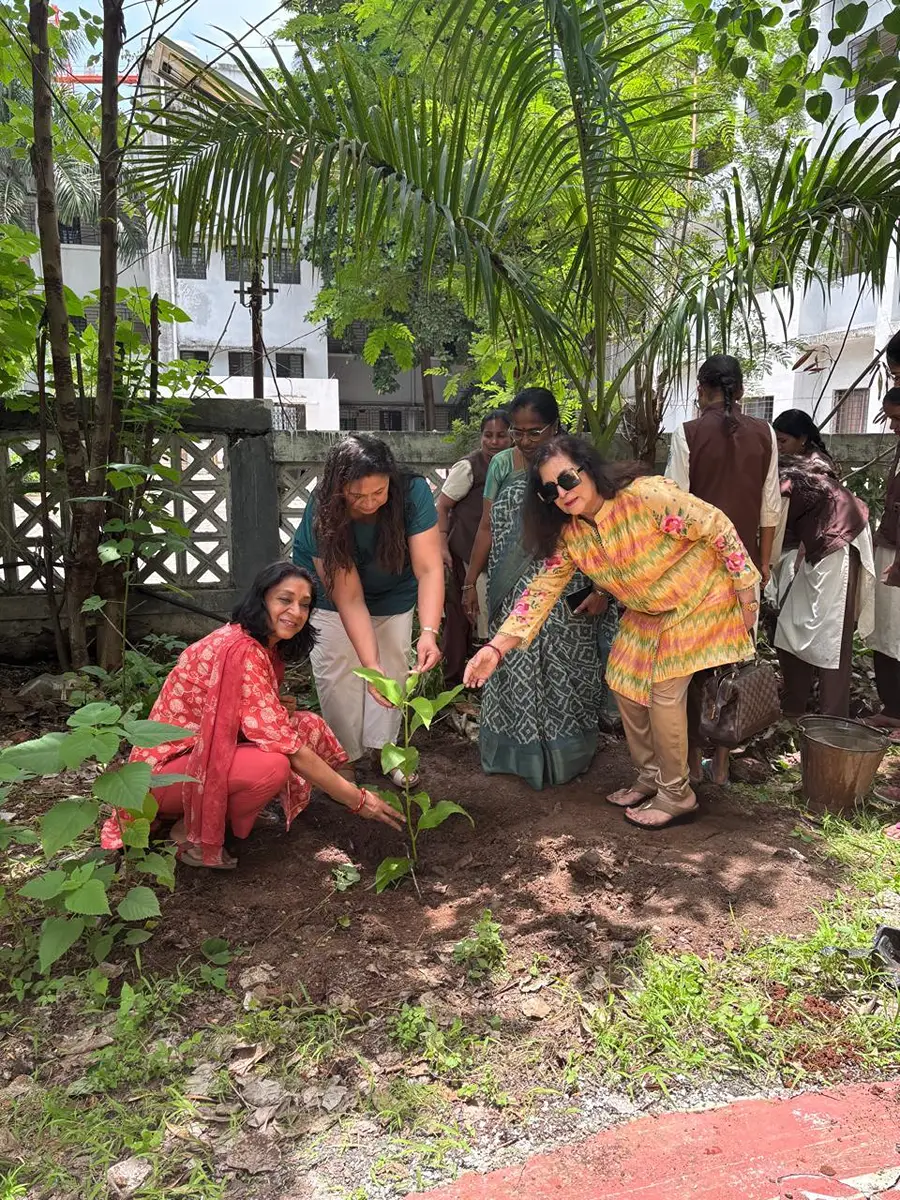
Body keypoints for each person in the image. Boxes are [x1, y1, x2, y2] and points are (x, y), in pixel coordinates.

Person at [464, 435, 760, 830]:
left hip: (700, 596)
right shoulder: (572, 534)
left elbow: (715, 525)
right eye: (550, 490)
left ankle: (677, 794)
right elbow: (540, 593)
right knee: (622, 681)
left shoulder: (644, 497)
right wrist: (496, 649)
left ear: (587, 469)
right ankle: (651, 776)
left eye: (567, 479)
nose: (562, 493)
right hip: (648, 610)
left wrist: (746, 590)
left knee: (663, 690)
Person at [99, 562, 403, 869]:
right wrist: (358, 801)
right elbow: (290, 750)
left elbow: (231, 713)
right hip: (161, 778)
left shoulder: (259, 643)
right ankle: (188, 834)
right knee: (272, 766)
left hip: (195, 760)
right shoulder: (242, 650)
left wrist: (272, 704)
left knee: (306, 724)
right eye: (285, 600)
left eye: (305, 604)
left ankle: (223, 815)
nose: (296, 612)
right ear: (261, 600)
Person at [461, 390, 611, 788]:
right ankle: (517, 755)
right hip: (512, 588)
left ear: (555, 427)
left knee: (568, 667)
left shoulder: (572, 470)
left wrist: (601, 590)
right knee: (513, 662)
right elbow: (488, 526)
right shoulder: (501, 466)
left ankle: (567, 756)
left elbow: (600, 534)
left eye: (534, 432)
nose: (524, 441)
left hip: (568, 588)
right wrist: (470, 582)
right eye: (518, 432)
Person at [292, 434, 444, 784]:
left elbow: (429, 568)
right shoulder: (323, 508)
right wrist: (370, 666)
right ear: (339, 488)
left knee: (393, 664)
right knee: (337, 670)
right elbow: (349, 598)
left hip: (394, 591)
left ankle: (385, 751)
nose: (370, 503)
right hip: (334, 597)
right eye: (358, 496)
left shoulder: (412, 493)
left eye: (379, 492)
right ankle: (342, 755)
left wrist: (429, 632)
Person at [666, 353, 780, 786]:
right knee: (731, 662)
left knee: (693, 663)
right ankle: (722, 763)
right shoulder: (765, 433)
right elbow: (770, 507)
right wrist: (763, 563)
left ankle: (693, 759)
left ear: (701, 390)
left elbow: (675, 510)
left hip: (697, 570)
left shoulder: (688, 433)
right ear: (742, 390)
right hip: (744, 568)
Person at [770, 410, 874, 718]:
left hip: (839, 540)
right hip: (819, 543)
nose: (778, 446)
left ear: (802, 439)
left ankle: (832, 719)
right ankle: (795, 704)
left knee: (832, 634)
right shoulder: (788, 467)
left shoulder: (805, 469)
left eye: (783, 440)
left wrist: (764, 567)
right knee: (790, 626)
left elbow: (774, 530)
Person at [437, 410, 512, 684]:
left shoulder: (516, 466)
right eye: (488, 435)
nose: (494, 442)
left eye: (501, 435)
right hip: (465, 553)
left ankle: (491, 681)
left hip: (501, 558)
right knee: (460, 618)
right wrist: (442, 544)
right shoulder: (470, 468)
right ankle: (453, 681)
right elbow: (443, 506)